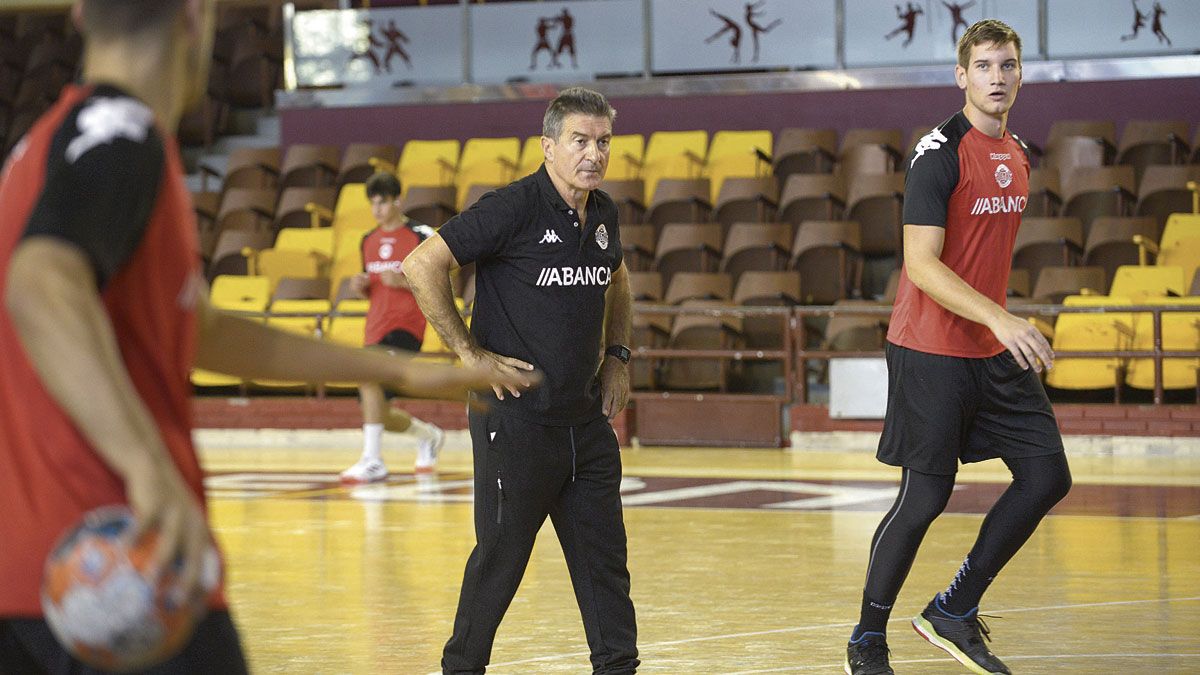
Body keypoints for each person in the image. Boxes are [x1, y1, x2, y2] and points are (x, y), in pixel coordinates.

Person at [0, 2, 530, 672]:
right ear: (196, 16)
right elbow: (39, 284)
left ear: (79, 14)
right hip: (126, 559)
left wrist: (395, 371)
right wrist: (146, 465)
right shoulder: (123, 132)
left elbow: (202, 331)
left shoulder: (47, 143)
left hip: (28, 577)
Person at [843, 19, 1072, 675]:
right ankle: (866, 637)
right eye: (984, 66)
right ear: (960, 75)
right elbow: (921, 264)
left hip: (990, 348)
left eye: (1008, 65)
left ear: (1021, 73)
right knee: (924, 496)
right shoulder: (938, 153)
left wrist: (1000, 324)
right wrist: (1002, 320)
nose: (997, 77)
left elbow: (984, 258)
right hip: (930, 348)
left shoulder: (1019, 153)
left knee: (1047, 474)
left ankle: (953, 607)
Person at [403, 86, 638, 674]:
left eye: (603, 141)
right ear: (549, 146)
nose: (594, 153)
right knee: (501, 561)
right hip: (515, 421)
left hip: (583, 423)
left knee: (605, 563)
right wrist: (467, 352)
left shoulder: (603, 212)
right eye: (580, 141)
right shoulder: (511, 207)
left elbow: (620, 283)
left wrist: (618, 355)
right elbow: (421, 264)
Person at [339, 172, 446, 484]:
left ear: (398, 200)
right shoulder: (367, 240)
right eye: (373, 203)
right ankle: (428, 435)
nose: (377, 209)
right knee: (379, 412)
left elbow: (442, 280)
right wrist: (360, 287)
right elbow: (372, 287)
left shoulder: (420, 234)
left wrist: (402, 281)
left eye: (383, 202)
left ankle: (373, 461)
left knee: (367, 375)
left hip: (407, 325)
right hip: (375, 326)